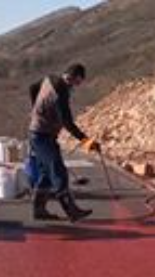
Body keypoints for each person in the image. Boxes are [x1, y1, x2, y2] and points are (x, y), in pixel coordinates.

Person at [29, 63, 101, 222]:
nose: (76, 87)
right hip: (42, 135)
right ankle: (71, 211)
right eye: (77, 82)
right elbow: (67, 123)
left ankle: (39, 210)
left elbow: (32, 87)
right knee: (58, 172)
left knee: (46, 173)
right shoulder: (60, 92)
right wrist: (86, 141)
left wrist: (35, 109)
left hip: (38, 133)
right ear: (74, 78)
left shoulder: (49, 79)